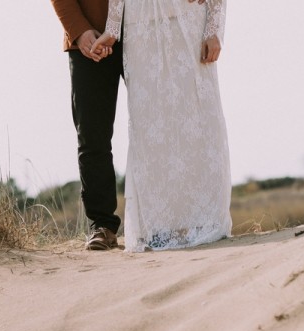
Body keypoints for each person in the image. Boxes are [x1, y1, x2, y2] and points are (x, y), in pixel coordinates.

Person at [50, 0, 207, 250]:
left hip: (145, 31)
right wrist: (79, 31)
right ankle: (102, 225)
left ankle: (164, 221)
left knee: (160, 126)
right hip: (89, 39)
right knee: (92, 134)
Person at [91, 0, 232, 252]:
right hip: (139, 27)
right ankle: (159, 226)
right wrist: (113, 30)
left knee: (197, 118)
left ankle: (202, 219)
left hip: (188, 21)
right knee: (151, 127)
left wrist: (213, 30)